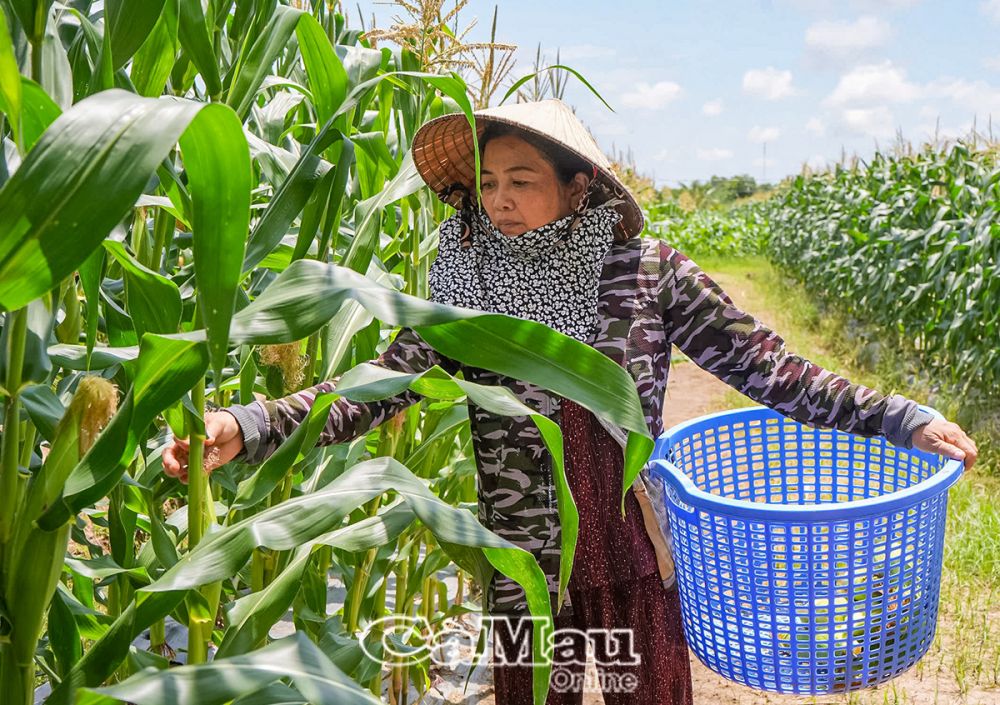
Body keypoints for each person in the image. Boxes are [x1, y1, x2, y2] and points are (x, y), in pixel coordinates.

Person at [163, 99, 979, 704]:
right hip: (525, 569)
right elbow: (378, 383)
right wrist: (253, 422)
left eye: (523, 180)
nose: (500, 199)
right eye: (487, 182)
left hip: (632, 554)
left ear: (580, 185)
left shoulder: (647, 271)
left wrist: (899, 416)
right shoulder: (467, 295)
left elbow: (771, 369)